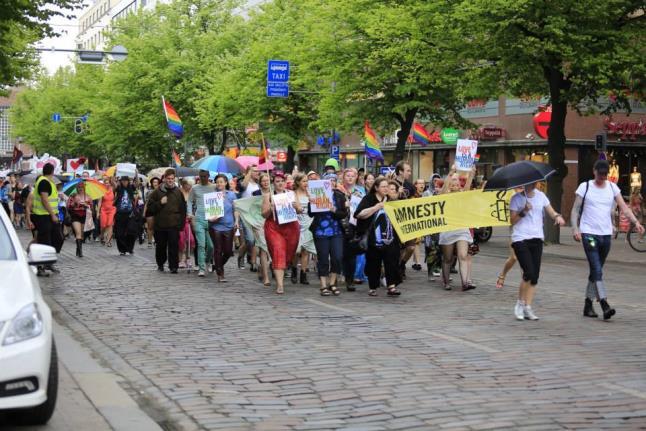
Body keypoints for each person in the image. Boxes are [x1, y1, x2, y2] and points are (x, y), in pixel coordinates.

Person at [571, 159, 645, 320]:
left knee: (596, 270)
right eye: (600, 174)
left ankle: (587, 304)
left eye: (605, 175)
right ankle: (604, 303)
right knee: (597, 269)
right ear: (594, 171)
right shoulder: (585, 187)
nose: (602, 177)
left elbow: (624, 208)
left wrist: (636, 223)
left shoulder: (612, 187)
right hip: (589, 234)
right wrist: (576, 229)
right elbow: (575, 209)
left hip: (605, 236)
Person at [510, 182, 565, 320]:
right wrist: (524, 211)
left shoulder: (541, 196)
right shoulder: (516, 198)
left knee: (534, 277)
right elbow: (512, 221)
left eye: (536, 181)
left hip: (537, 238)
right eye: (531, 181)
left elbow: (551, 212)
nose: (534, 183)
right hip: (520, 238)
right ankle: (520, 304)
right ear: (524, 183)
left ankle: (528, 307)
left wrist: (557, 217)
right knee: (528, 272)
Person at [354, 177, 401, 297]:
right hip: (373, 237)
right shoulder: (369, 199)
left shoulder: (391, 199)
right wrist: (376, 207)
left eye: (387, 186)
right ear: (376, 188)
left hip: (390, 237)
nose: (386, 189)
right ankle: (373, 287)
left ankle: (391, 286)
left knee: (392, 261)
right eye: (383, 187)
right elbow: (359, 214)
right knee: (373, 262)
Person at [438, 165, 476, 291]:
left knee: (463, 255)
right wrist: (451, 172)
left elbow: (468, 186)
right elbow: (443, 189)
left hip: (461, 229)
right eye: (453, 179)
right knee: (448, 258)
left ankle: (465, 282)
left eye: (457, 179)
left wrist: (471, 173)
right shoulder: (444, 194)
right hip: (448, 229)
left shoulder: (462, 194)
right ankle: (445, 281)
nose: (455, 181)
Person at [261, 173, 300, 294]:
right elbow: (263, 214)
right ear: (274, 183)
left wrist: (296, 207)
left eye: (282, 181)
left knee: (289, 253)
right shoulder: (269, 196)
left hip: (291, 227)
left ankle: (280, 268)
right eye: (277, 181)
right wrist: (270, 209)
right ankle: (280, 284)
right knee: (278, 251)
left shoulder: (291, 194)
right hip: (274, 228)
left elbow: (300, 209)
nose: (280, 183)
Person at [309, 172, 347, 296]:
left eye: (333, 180)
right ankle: (323, 285)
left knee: (337, 257)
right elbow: (311, 214)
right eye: (328, 180)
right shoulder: (317, 194)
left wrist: (334, 210)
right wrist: (312, 203)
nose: (331, 182)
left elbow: (343, 214)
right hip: (320, 231)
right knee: (323, 258)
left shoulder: (339, 196)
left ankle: (332, 283)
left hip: (336, 231)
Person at [147, 169, 186, 273]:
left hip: (174, 224)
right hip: (160, 225)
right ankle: (160, 264)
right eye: (168, 178)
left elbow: (183, 209)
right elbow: (150, 208)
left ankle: (174, 266)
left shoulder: (178, 191)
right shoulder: (157, 192)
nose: (170, 180)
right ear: (164, 179)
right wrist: (160, 203)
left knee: (174, 246)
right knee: (161, 247)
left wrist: (181, 224)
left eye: (172, 179)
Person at [207, 174, 240, 282]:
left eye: (221, 182)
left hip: (229, 226)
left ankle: (217, 265)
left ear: (226, 183)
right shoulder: (212, 195)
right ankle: (220, 274)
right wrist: (211, 218)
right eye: (217, 182)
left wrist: (236, 221)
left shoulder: (231, 195)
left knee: (228, 251)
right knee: (218, 249)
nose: (219, 184)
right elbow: (209, 213)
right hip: (215, 226)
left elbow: (236, 210)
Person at [31, 163, 62, 275]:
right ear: (52, 172)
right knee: (45, 241)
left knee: (57, 238)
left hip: (48, 215)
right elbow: (44, 200)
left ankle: (48, 262)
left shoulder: (48, 182)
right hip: (43, 215)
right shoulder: (44, 182)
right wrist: (52, 214)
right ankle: (40, 267)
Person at [187, 170, 216, 277]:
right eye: (201, 176)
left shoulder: (214, 187)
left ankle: (207, 261)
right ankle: (202, 267)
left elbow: (219, 199)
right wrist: (190, 214)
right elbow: (189, 201)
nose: (202, 178)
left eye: (204, 176)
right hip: (199, 218)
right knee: (201, 245)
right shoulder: (195, 188)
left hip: (212, 219)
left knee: (211, 246)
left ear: (208, 176)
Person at [292, 173, 314, 285]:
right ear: (298, 182)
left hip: (309, 223)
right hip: (298, 224)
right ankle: (294, 269)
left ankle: (303, 274)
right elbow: (295, 207)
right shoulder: (293, 194)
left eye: (307, 181)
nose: (306, 183)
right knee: (297, 251)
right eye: (303, 181)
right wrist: (296, 207)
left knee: (306, 251)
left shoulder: (310, 192)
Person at [239, 165, 260, 270]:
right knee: (250, 240)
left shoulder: (258, 184)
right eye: (255, 171)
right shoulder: (244, 183)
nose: (257, 173)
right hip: (245, 214)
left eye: (258, 171)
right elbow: (243, 187)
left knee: (256, 240)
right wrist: (248, 172)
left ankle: (253, 261)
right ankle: (241, 256)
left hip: (256, 214)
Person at [253, 173, 273, 285]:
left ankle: (263, 266)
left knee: (271, 248)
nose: (265, 182)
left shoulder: (274, 193)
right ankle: (266, 277)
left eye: (267, 180)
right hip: (258, 223)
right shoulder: (255, 194)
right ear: (260, 182)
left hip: (272, 223)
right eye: (263, 181)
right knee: (264, 249)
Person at [113, 176, 138, 256]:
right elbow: (113, 185)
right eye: (123, 181)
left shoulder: (131, 188)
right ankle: (122, 249)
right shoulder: (119, 188)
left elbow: (136, 183)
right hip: (120, 213)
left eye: (126, 181)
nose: (124, 182)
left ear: (128, 181)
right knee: (119, 233)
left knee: (131, 231)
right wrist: (114, 176)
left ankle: (130, 248)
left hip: (130, 213)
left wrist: (136, 174)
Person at [67, 182, 93, 258]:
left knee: (81, 234)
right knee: (78, 233)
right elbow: (68, 207)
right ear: (77, 188)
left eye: (82, 187)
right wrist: (74, 203)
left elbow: (91, 207)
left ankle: (78, 249)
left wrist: (86, 205)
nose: (80, 189)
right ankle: (80, 251)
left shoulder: (88, 196)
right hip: (75, 215)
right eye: (79, 187)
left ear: (84, 188)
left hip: (84, 216)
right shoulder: (73, 196)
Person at [178, 178, 194, 271]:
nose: (190, 187)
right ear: (184, 184)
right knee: (181, 239)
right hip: (180, 219)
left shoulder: (192, 194)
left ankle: (188, 258)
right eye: (189, 185)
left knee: (190, 240)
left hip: (189, 219)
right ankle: (181, 259)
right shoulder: (179, 193)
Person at [98, 177, 116, 247]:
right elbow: (99, 202)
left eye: (108, 183)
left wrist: (112, 177)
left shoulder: (113, 189)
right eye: (105, 183)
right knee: (103, 226)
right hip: (103, 210)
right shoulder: (101, 191)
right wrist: (97, 212)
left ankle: (109, 241)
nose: (107, 184)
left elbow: (115, 185)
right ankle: (102, 236)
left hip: (112, 209)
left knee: (110, 224)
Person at [144, 177, 161, 248]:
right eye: (154, 182)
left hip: (159, 211)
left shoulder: (162, 191)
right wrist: (144, 212)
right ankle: (150, 241)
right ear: (152, 183)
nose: (155, 183)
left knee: (158, 227)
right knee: (150, 227)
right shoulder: (149, 192)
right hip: (150, 211)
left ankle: (157, 240)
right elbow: (146, 203)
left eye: (157, 182)